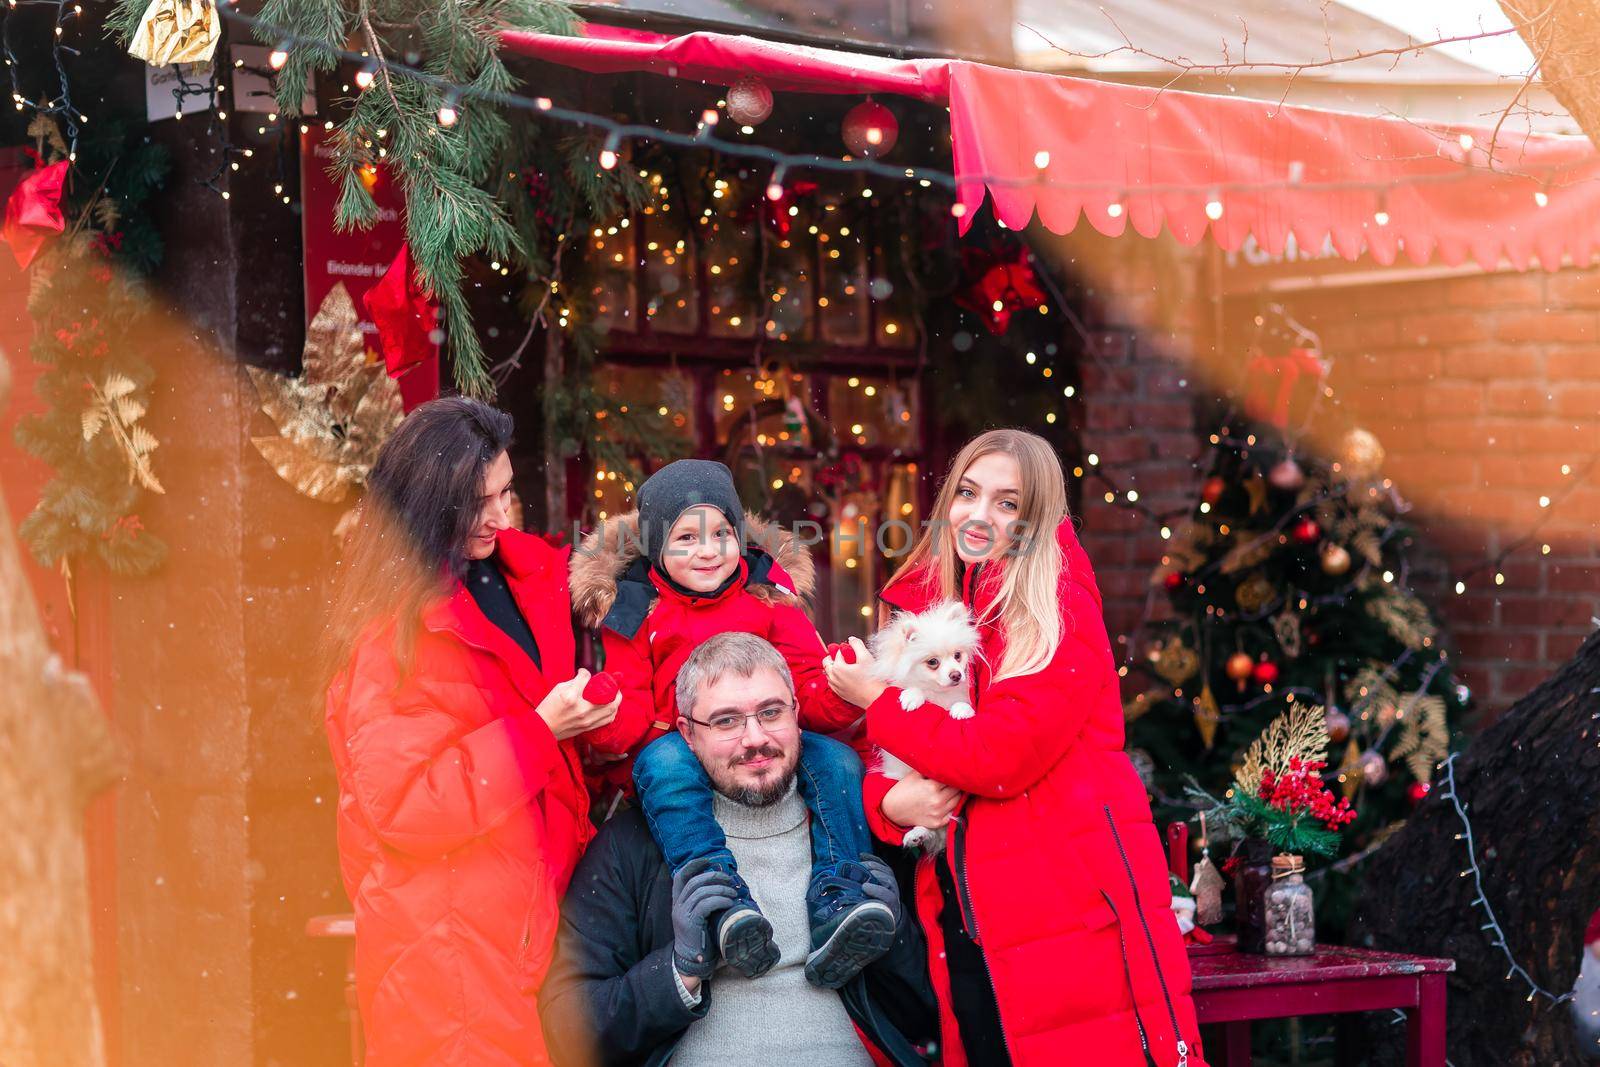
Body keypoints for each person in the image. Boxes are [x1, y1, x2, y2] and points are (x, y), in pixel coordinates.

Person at [826, 428, 1207, 1067]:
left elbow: (998, 757)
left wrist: (879, 701)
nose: (980, 516)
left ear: (1036, 520)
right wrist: (891, 805)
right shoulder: (937, 609)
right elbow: (882, 759)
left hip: (1066, 903)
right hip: (973, 913)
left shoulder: (1057, 612)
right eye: (968, 493)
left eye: (1008, 503)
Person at [322, 397, 620, 1066]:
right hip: (446, 936)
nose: (498, 514)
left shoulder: (532, 576)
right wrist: (544, 729)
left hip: (530, 908)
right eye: (475, 501)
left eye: (507, 491)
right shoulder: (389, 632)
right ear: (428, 503)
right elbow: (403, 806)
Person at [540, 633, 936, 1067]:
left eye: (771, 712)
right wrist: (679, 970)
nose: (755, 738)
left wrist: (896, 939)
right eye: (726, 721)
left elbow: (924, 1017)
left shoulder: (856, 826)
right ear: (687, 734)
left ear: (797, 714)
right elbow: (567, 1029)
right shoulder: (633, 845)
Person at [568, 458, 892, 988]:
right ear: (656, 548)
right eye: (685, 538)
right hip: (681, 740)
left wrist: (842, 689)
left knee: (834, 760)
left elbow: (804, 690)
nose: (707, 549)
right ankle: (720, 899)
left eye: (721, 533)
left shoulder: (768, 595)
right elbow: (627, 698)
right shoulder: (639, 610)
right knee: (663, 763)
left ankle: (841, 897)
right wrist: (610, 717)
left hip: (765, 735)